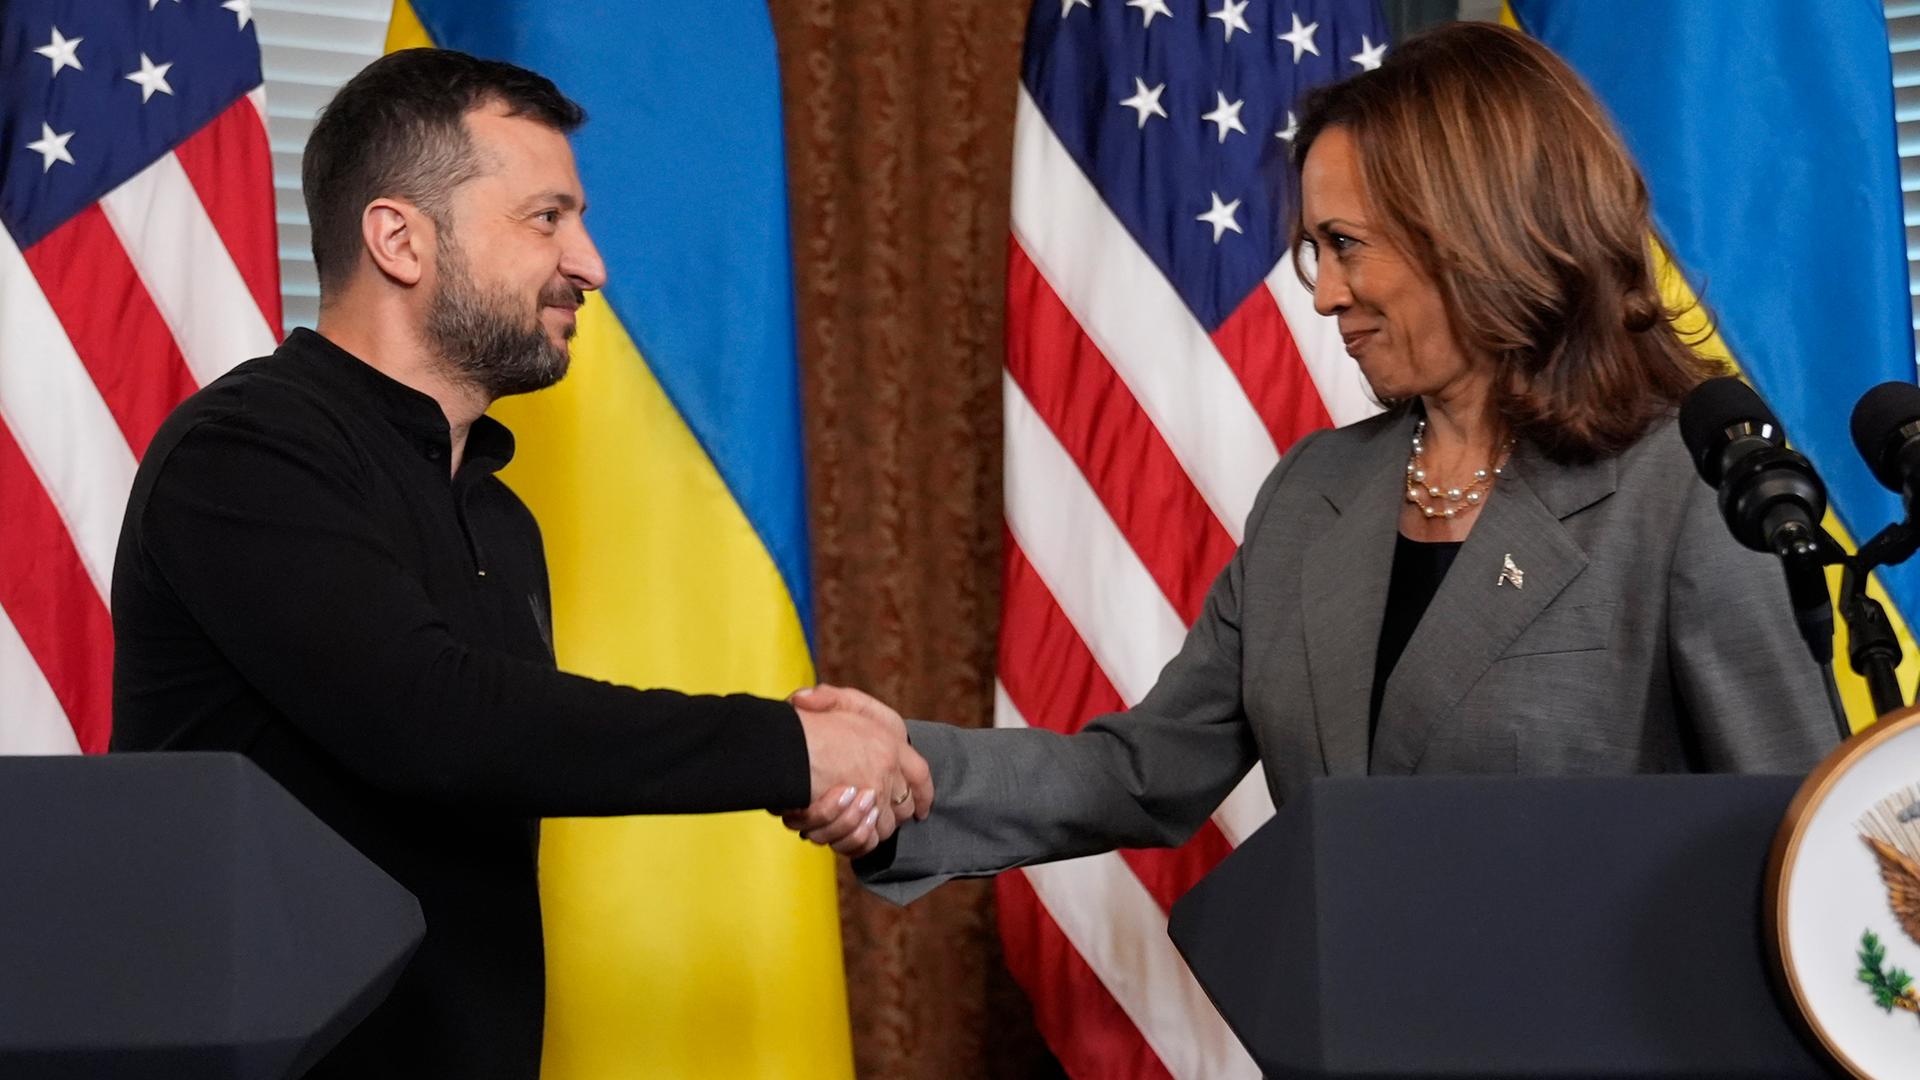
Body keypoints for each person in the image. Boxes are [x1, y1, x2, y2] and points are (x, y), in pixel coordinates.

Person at [781, 22, 1837, 892]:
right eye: (1314, 252)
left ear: (1480, 229)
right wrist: (909, 768)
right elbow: (1142, 772)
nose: (1323, 293)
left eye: (1348, 245)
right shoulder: (1317, 493)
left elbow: (1801, 850)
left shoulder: (1686, 487)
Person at [110, 49, 927, 1077]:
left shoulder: (501, 518)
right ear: (399, 239)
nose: (591, 264)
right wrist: (790, 750)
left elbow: (514, 750)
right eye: (546, 218)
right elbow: (437, 722)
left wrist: (810, 754)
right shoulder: (245, 453)